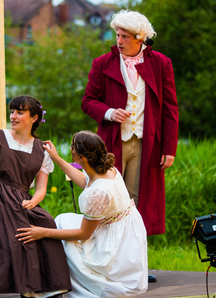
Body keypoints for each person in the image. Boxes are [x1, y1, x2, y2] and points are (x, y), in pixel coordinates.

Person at [81, 10, 179, 238]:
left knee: (137, 203)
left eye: (125, 36)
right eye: (117, 35)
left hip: (147, 145)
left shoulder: (161, 63)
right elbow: (88, 101)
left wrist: (169, 149)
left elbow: (170, 109)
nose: (119, 41)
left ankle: (135, 267)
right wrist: (109, 112)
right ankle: (108, 262)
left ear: (140, 38)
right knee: (108, 198)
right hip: (112, 143)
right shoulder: (102, 63)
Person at [17, 131, 148, 298]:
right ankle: (54, 280)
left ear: (82, 158)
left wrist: (42, 232)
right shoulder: (106, 168)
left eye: (73, 148)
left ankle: (57, 284)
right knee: (63, 220)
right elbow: (84, 181)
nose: (71, 150)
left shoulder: (98, 194)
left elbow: (84, 233)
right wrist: (56, 158)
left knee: (65, 240)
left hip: (115, 241)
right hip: (126, 227)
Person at [0, 95, 72, 298]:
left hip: (22, 198)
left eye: (19, 112)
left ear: (34, 118)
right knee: (1, 242)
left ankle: (38, 287)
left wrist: (35, 201)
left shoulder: (42, 150)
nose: (13, 116)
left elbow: (41, 188)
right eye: (12, 111)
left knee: (46, 221)